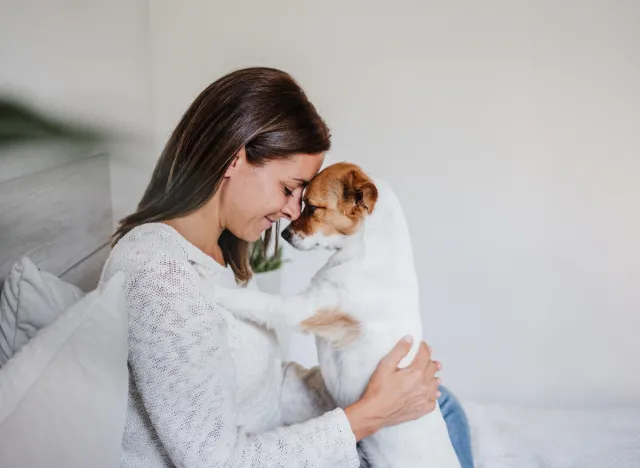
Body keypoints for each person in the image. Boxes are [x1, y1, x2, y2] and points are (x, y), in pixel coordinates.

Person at [102, 67, 474, 468]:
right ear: (233, 159)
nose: (293, 211)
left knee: (441, 404)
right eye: (287, 188)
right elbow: (217, 461)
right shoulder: (161, 275)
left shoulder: (217, 255)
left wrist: (381, 387)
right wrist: (368, 415)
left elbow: (262, 389)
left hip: (292, 434)